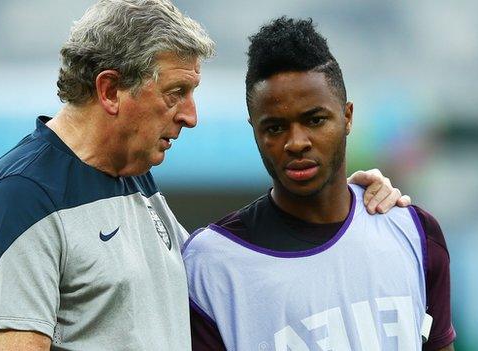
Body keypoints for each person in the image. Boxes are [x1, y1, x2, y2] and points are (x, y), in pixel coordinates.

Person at [0, 1, 410, 350]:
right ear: (110, 90)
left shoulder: (131, 175)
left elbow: (226, 266)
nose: (191, 117)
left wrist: (340, 205)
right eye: (176, 93)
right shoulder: (22, 194)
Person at [183, 17, 455, 351]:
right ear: (254, 129)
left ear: (348, 116)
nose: (296, 142)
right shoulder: (211, 263)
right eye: (275, 128)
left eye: (315, 120)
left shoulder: (413, 231)